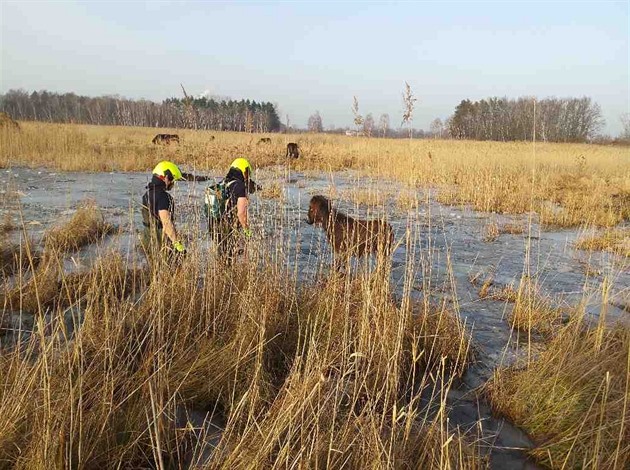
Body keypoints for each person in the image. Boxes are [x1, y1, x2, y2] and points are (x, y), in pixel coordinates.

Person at [141, 161, 186, 262]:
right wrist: (177, 244)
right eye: (172, 180)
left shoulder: (147, 194)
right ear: (166, 177)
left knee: (154, 269)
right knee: (169, 269)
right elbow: (166, 222)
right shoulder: (163, 197)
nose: (173, 183)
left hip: (147, 238)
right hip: (160, 240)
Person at [215, 158, 253, 262]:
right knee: (230, 257)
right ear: (243, 171)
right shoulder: (240, 186)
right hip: (228, 226)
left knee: (222, 255)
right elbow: (241, 214)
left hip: (215, 225)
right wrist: (247, 231)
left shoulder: (223, 183)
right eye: (247, 173)